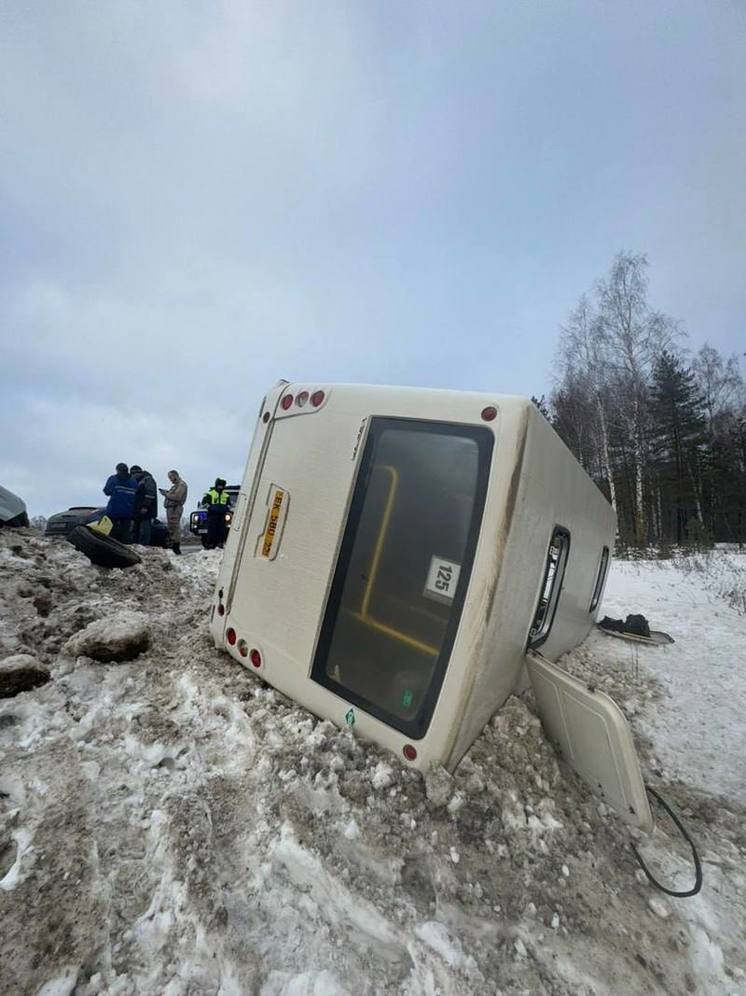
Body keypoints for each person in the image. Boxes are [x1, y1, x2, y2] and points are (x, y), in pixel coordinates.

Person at [103, 463, 138, 543]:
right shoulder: (133, 482)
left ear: (117, 470)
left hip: (114, 509)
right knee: (126, 532)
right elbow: (136, 495)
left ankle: (111, 546)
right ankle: (126, 549)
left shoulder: (113, 479)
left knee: (111, 530)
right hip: (128, 510)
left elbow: (107, 491)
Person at [159, 470, 188, 554]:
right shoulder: (176, 486)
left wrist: (166, 494)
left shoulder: (181, 485)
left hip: (175, 508)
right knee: (171, 527)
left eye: (171, 477)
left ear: (175, 475)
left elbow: (177, 497)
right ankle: (173, 545)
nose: (170, 480)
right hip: (171, 509)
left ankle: (176, 547)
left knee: (174, 527)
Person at [130, 466, 158, 546]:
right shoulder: (139, 480)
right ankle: (137, 545)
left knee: (144, 529)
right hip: (138, 509)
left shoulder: (147, 479)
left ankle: (144, 545)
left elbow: (150, 494)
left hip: (146, 510)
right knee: (137, 529)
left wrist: (145, 506)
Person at [201, 477, 231, 549]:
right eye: (219, 485)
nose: (220, 487)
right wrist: (210, 508)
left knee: (222, 530)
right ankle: (210, 544)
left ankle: (220, 543)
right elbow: (204, 503)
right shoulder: (210, 494)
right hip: (212, 515)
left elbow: (229, 504)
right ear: (216, 485)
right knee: (212, 530)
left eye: (222, 486)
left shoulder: (226, 495)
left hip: (222, 515)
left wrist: (226, 508)